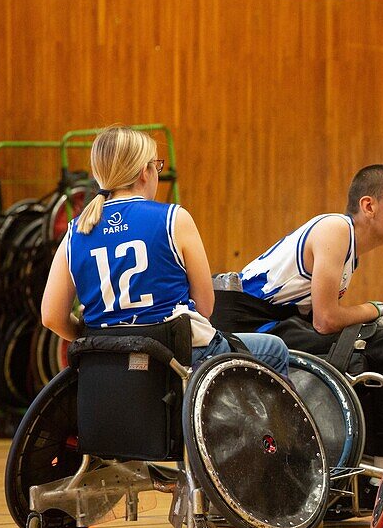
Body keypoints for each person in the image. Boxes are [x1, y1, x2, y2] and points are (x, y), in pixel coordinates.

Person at [40, 126, 290, 376]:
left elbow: (51, 316)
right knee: (274, 348)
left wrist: (99, 341)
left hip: (104, 364)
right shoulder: (173, 218)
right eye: (156, 166)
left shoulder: (75, 232)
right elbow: (205, 306)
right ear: (143, 172)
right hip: (176, 357)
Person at [209, 163, 383, 456]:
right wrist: (378, 309)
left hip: (276, 322)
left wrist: (378, 316)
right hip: (246, 326)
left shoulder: (350, 252)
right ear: (369, 206)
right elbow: (326, 319)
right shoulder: (335, 229)